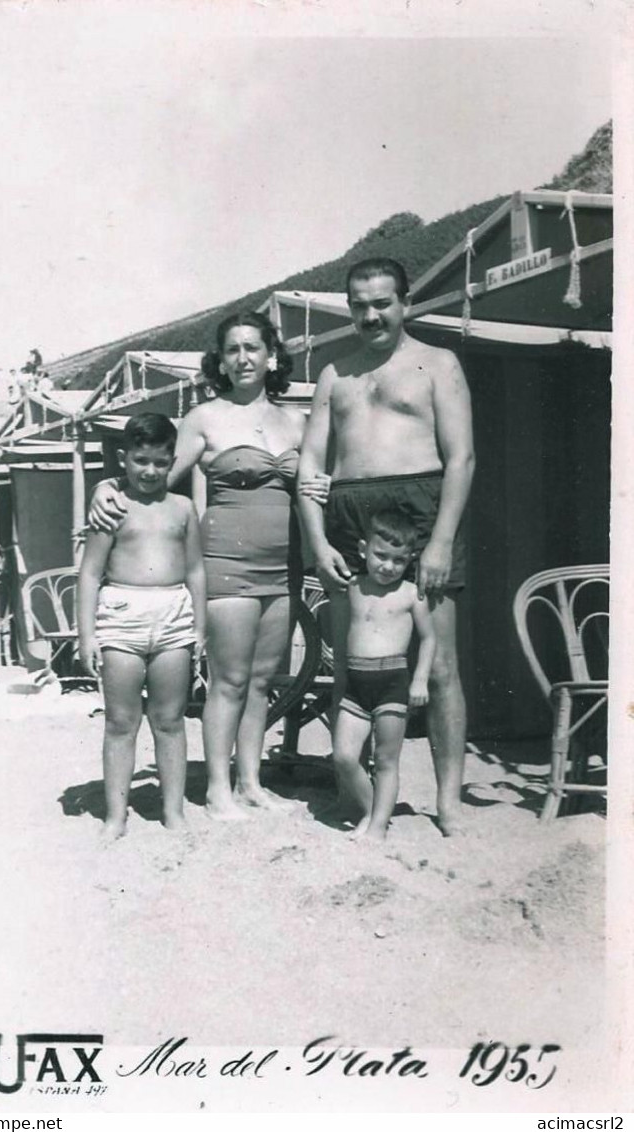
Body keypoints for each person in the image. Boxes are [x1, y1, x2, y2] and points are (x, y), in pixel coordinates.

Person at [89, 311, 329, 821]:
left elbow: (313, 485)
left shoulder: (297, 421)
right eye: (233, 350)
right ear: (219, 361)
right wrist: (103, 487)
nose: (243, 358)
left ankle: (250, 782)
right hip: (226, 563)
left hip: (281, 566)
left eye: (253, 348)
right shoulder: (204, 418)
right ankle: (218, 787)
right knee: (229, 679)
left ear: (272, 356)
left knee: (264, 680)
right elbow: (150, 478)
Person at [298, 256, 474, 837]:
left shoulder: (437, 364)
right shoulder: (334, 374)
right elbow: (309, 466)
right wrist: (317, 538)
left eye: (382, 303)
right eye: (359, 305)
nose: (371, 315)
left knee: (439, 663)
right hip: (348, 514)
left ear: (405, 303)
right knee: (354, 659)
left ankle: (448, 801)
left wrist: (442, 539)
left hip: (421, 510)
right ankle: (361, 793)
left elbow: (461, 459)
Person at [77, 412, 206, 840]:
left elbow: (196, 571)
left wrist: (199, 629)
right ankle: (116, 815)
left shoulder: (184, 508)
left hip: (173, 615)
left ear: (172, 461)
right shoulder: (111, 507)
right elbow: (90, 575)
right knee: (120, 720)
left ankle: (174, 811)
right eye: (140, 461)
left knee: (170, 719)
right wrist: (87, 635)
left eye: (159, 462)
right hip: (121, 617)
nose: (149, 471)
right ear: (123, 459)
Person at [334, 508, 435, 841]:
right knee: (345, 757)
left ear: (410, 560)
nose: (388, 566)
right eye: (381, 555)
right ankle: (371, 811)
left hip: (393, 682)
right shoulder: (352, 586)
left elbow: (429, 638)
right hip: (355, 685)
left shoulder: (410, 593)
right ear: (363, 549)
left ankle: (377, 827)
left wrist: (420, 679)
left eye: (398, 560)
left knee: (386, 759)